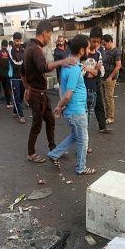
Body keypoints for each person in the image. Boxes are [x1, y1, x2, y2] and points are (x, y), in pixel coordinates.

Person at [21, 20, 76, 163]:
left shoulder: (29, 47)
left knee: (50, 121)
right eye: (50, 35)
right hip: (37, 95)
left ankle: (53, 149)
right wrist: (62, 62)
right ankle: (31, 153)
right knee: (37, 124)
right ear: (45, 33)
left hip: (40, 93)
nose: (50, 38)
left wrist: (27, 88)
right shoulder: (35, 49)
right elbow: (43, 67)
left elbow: (22, 72)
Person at [48, 34, 96, 175]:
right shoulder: (74, 68)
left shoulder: (68, 65)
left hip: (73, 110)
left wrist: (61, 105)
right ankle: (81, 167)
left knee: (76, 136)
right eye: (87, 48)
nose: (88, 51)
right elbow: (68, 94)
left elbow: (62, 88)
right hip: (77, 111)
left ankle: (54, 154)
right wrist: (60, 106)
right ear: (81, 50)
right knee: (83, 140)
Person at [83, 27, 108, 134]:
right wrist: (94, 70)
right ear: (89, 39)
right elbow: (84, 73)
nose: (96, 44)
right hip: (84, 86)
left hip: (96, 84)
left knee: (99, 105)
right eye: (94, 41)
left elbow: (101, 72)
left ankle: (102, 127)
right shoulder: (84, 53)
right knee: (85, 113)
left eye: (98, 42)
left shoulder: (99, 54)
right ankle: (84, 139)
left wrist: (93, 71)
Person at [101, 34, 121, 125]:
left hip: (110, 78)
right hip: (104, 77)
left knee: (109, 97)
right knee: (105, 97)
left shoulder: (116, 51)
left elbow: (118, 66)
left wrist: (110, 77)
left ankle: (111, 117)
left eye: (105, 44)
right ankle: (107, 114)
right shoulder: (106, 50)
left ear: (109, 42)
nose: (104, 46)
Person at [10, 32, 26, 123]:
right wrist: (23, 64)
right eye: (16, 41)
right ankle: (21, 115)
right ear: (13, 40)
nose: (18, 42)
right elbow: (14, 64)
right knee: (16, 96)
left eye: (19, 41)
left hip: (22, 77)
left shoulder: (23, 49)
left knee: (21, 96)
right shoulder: (10, 50)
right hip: (14, 77)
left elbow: (25, 61)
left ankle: (15, 111)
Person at [0, 40, 13, 109]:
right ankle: (8, 103)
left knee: (0, 88)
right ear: (7, 45)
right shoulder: (9, 53)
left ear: (1, 45)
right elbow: (11, 63)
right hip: (8, 74)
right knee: (7, 88)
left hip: (0, 74)